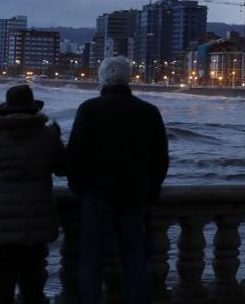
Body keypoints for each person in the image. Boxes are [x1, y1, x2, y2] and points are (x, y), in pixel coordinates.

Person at [67, 56, 169, 304]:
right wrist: (151, 191)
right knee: (135, 259)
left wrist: (78, 187)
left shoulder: (89, 109)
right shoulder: (148, 111)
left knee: (92, 261)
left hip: (97, 194)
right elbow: (160, 158)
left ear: (102, 78)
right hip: (136, 196)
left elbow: (75, 154)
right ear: (129, 78)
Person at [0, 84, 66, 304]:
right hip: (38, 222)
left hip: (0, 224)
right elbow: (63, 168)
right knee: (33, 287)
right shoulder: (46, 136)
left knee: (1, 287)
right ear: (33, 108)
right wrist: (58, 139)